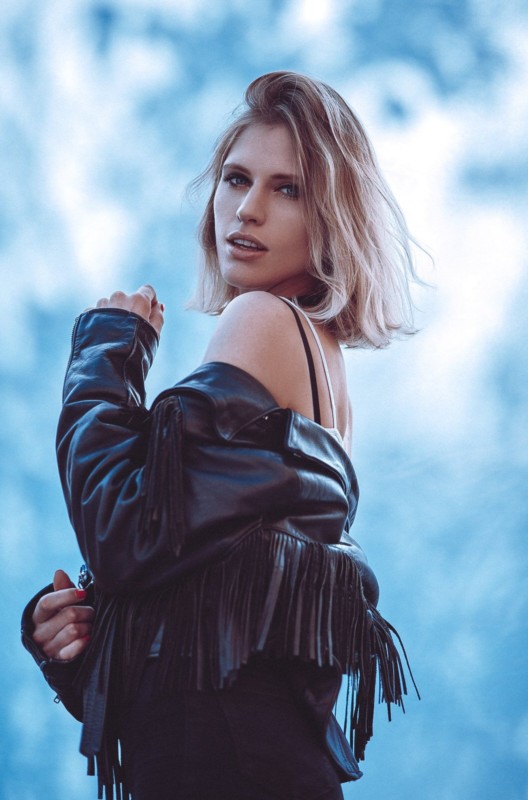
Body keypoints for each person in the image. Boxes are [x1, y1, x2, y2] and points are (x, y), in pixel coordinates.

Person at [21, 71, 420, 800]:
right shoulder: (322, 369)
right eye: (236, 179)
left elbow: (124, 533)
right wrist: (73, 648)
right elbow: (201, 667)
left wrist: (107, 353)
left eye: (287, 189)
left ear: (331, 216)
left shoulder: (262, 321)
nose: (247, 210)